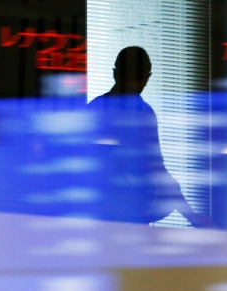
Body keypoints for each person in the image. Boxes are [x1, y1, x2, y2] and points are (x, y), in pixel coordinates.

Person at [87, 46, 214, 227]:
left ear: (115, 73)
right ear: (147, 77)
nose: (134, 86)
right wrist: (192, 217)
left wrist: (192, 217)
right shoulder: (142, 113)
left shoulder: (100, 109)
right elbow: (157, 168)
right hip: (118, 217)